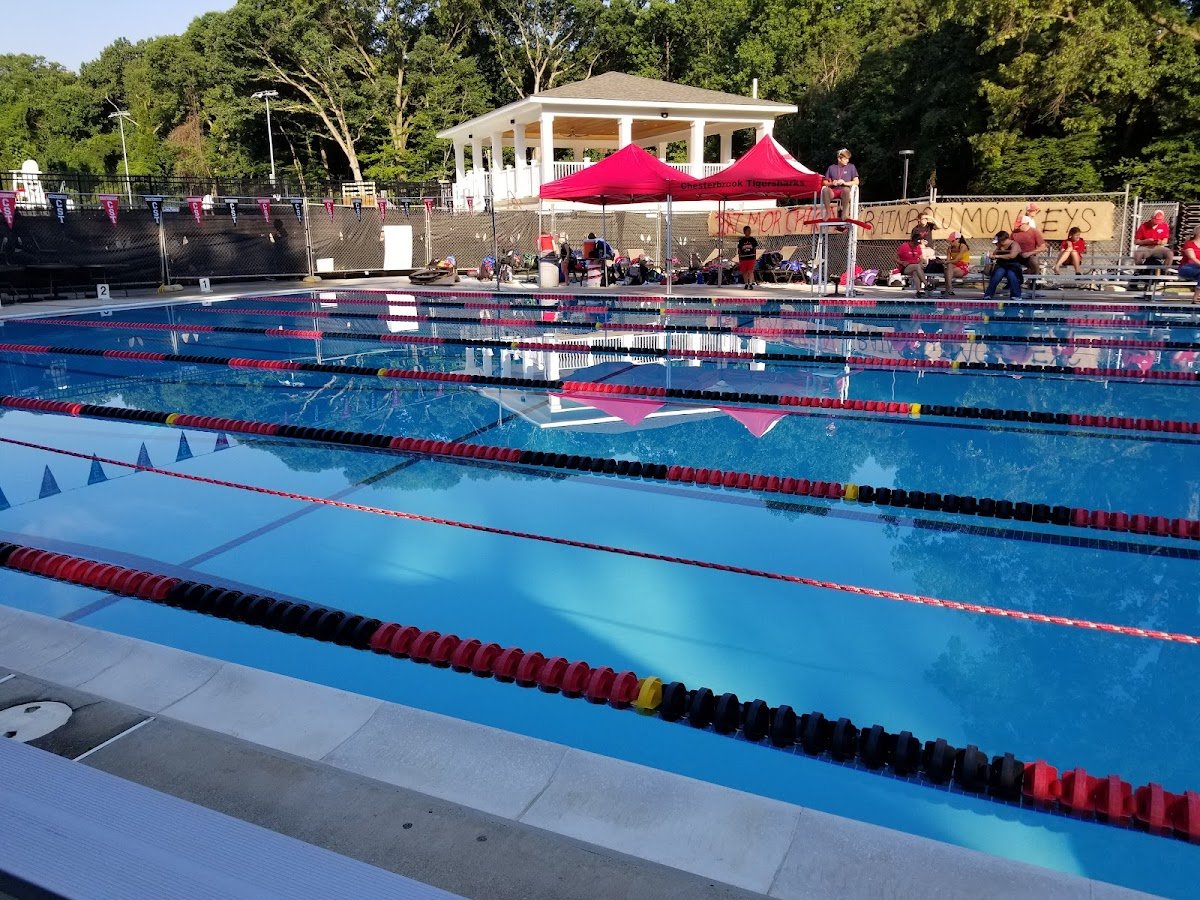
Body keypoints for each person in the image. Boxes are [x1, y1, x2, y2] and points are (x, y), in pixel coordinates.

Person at [983, 231, 1024, 301]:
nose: (997, 244)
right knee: (997, 275)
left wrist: (997, 256)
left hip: (1013, 265)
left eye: (998, 242)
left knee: (1011, 275)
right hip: (1001, 265)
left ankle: (1016, 295)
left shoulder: (1014, 244)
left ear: (1003, 240)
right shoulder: (999, 246)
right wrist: (992, 256)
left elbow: (1012, 256)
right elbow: (994, 254)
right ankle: (988, 294)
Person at [821, 149, 859, 221]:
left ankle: (844, 213)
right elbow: (824, 182)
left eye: (848, 159)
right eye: (845, 159)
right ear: (839, 158)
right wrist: (832, 183)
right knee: (825, 190)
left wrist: (845, 183)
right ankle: (828, 213)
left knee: (846, 190)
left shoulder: (851, 167)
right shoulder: (831, 167)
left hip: (845, 191)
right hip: (834, 191)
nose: (847, 161)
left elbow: (856, 181)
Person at [896, 229, 926, 297]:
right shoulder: (904, 246)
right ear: (914, 241)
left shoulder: (918, 247)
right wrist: (901, 262)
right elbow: (894, 257)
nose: (918, 245)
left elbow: (922, 259)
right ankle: (926, 284)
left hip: (915, 266)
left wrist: (920, 263)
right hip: (905, 267)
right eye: (917, 243)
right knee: (917, 267)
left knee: (916, 271)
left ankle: (918, 291)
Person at [1177, 225, 1200, 302]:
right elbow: (1192, 258)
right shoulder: (1189, 244)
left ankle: (1196, 298)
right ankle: (1197, 297)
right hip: (1186, 267)